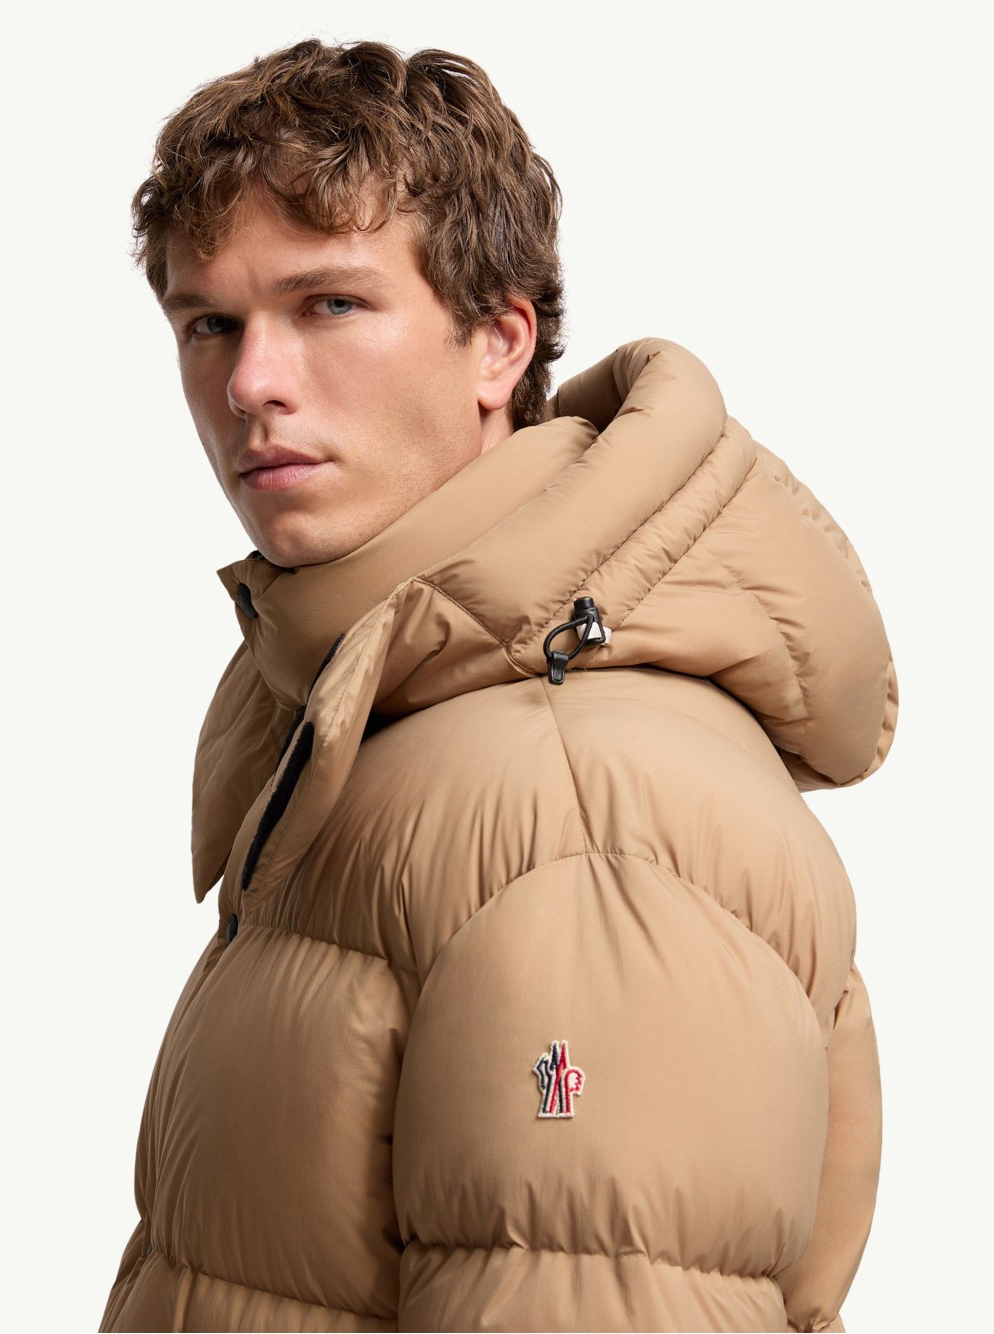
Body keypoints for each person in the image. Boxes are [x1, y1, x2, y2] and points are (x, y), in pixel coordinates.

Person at [101, 37, 896, 1334]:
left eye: (328, 304)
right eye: (211, 323)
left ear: (497, 345)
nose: (250, 383)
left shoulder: (576, 811)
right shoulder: (393, 713)